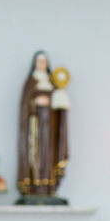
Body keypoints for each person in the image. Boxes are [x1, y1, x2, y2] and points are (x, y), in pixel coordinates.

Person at [18, 50, 70, 200]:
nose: (42, 64)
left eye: (44, 61)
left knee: (49, 154)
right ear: (35, 63)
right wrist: (35, 103)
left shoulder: (53, 82)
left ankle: (50, 186)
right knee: (36, 154)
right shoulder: (31, 81)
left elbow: (60, 108)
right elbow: (25, 105)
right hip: (35, 125)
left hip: (51, 126)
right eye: (39, 61)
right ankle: (35, 186)